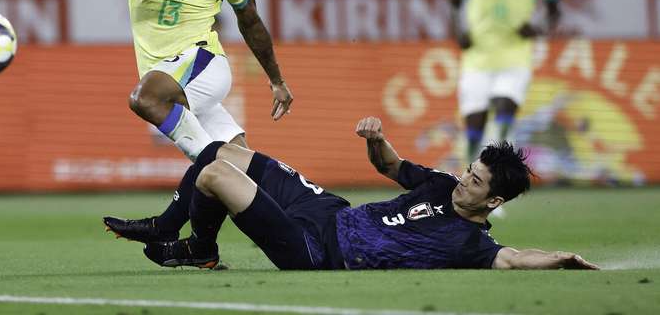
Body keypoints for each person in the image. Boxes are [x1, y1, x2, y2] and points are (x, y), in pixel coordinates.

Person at [77, 0, 293, 242]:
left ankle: (166, 224)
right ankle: (225, 244)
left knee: (144, 98)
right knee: (239, 166)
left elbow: (251, 23)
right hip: (172, 76)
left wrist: (277, 80)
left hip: (203, 63)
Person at [127, 117, 597, 271]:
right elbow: (390, 166)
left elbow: (513, 258)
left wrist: (560, 258)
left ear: (494, 202)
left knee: (214, 175)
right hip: (328, 211)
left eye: (475, 182)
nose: (463, 181)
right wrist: (377, 139)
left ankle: (195, 246)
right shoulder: (441, 182)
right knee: (220, 150)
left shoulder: (471, 243)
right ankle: (185, 238)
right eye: (469, 170)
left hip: (315, 251)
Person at [449, 0, 561, 162]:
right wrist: (458, 31)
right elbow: (454, 4)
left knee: (504, 109)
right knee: (474, 127)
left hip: (515, 54)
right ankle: (471, 174)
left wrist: (538, 28)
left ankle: (499, 176)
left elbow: (554, 9)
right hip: (477, 55)